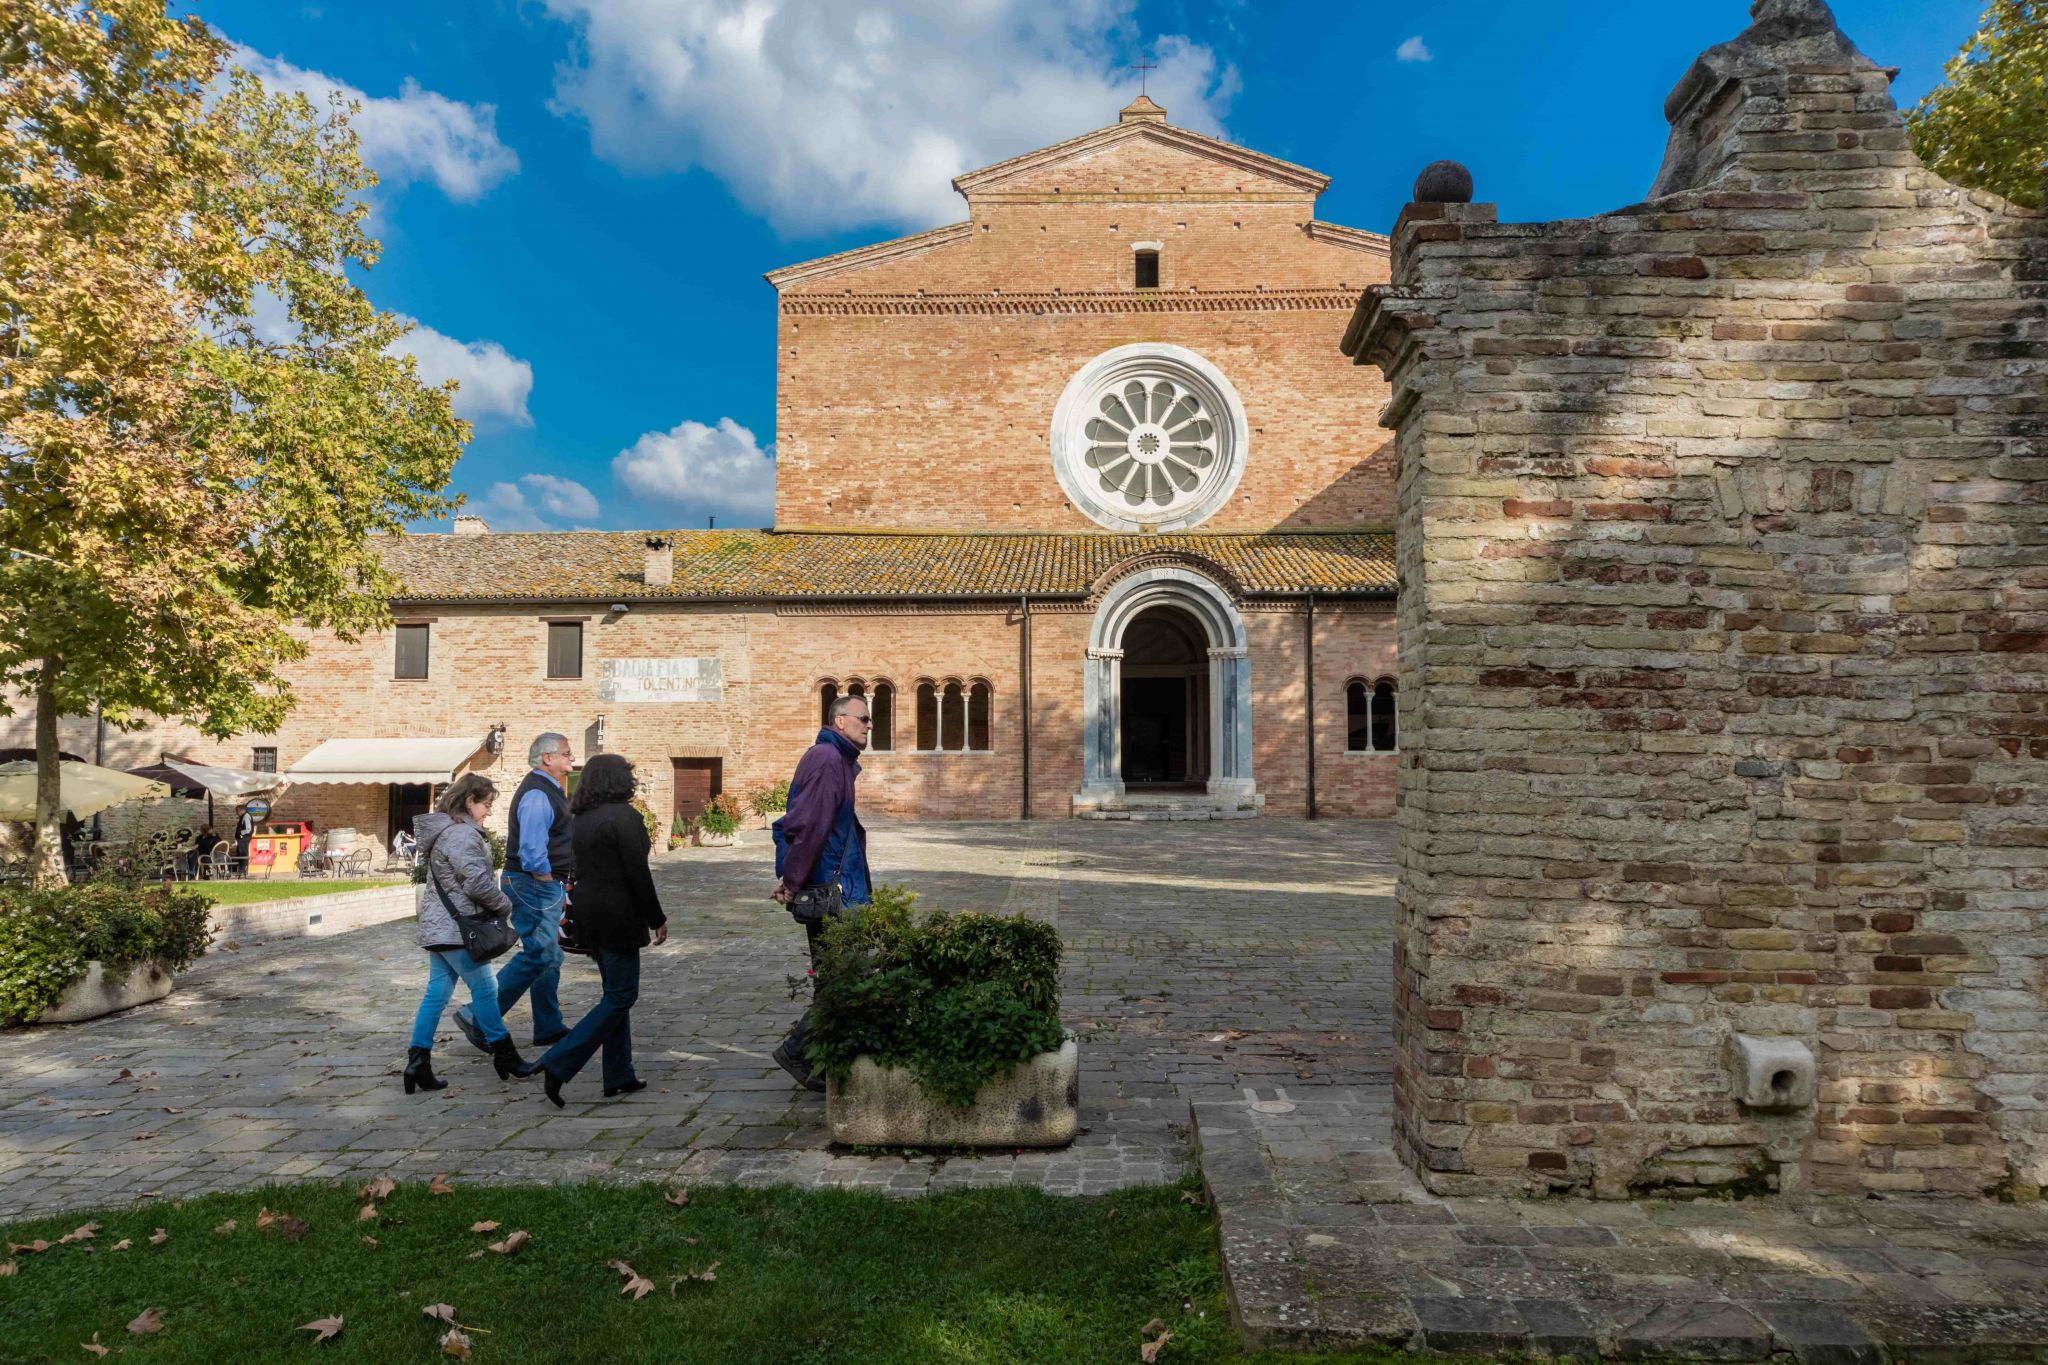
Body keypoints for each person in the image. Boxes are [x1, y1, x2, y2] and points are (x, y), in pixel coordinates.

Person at [522, 753, 667, 1106]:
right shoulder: (625, 817)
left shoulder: (581, 817)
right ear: (619, 781)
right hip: (618, 914)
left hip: (588, 913)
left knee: (613, 994)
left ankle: (619, 1073)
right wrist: (657, 918)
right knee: (621, 996)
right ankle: (559, 1061)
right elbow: (638, 874)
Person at [768, 693, 873, 1091]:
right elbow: (808, 826)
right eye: (863, 718)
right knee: (847, 977)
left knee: (837, 977)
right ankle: (799, 1052)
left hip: (837, 885)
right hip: (833, 891)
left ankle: (821, 1061)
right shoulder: (827, 760)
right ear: (839, 720)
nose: (868, 725)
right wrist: (794, 881)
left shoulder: (837, 761)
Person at [405, 774, 531, 1093]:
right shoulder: (461, 834)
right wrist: (506, 906)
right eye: (486, 804)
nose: (488, 811)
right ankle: (506, 1056)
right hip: (458, 928)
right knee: (486, 989)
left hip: (442, 926)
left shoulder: (448, 832)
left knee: (436, 994)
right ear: (469, 801)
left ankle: (417, 1062)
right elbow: (476, 883)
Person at [455, 733, 575, 1054]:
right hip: (533, 882)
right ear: (547, 758)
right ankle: (478, 1015)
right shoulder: (538, 793)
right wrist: (549, 880)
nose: (571, 759)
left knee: (546, 953)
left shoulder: (549, 790)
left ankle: (548, 1026)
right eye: (566, 754)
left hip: (536, 882)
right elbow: (532, 851)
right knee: (540, 954)